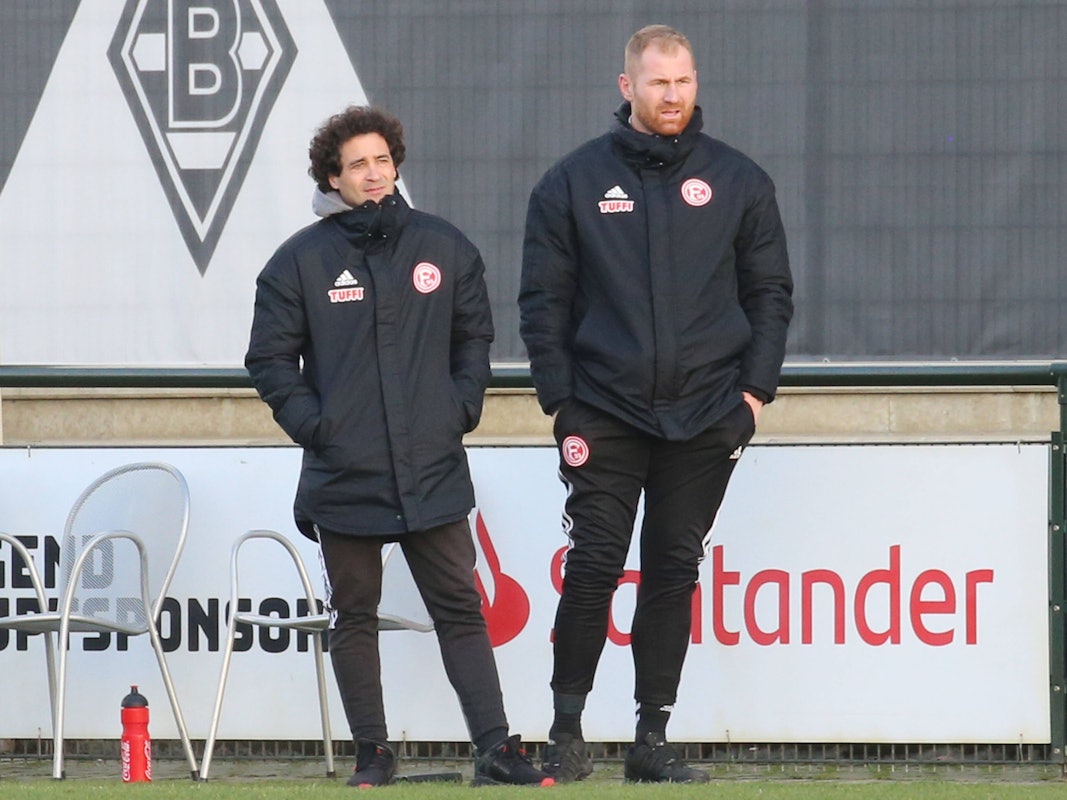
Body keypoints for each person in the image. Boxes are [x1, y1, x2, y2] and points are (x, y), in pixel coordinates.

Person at [246, 105, 553, 788]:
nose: (374, 173)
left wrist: (458, 407)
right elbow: (268, 361)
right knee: (353, 616)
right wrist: (320, 429)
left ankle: (495, 749)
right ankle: (372, 755)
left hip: (431, 466)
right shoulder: (299, 261)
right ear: (333, 176)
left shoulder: (443, 247)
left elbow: (473, 338)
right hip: (343, 474)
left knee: (460, 608)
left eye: (382, 160)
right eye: (358, 164)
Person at [519, 24, 794, 784]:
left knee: (673, 570)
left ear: (695, 83)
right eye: (656, 83)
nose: (670, 95)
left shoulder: (739, 181)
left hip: (707, 414)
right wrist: (561, 404)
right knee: (595, 563)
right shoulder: (571, 183)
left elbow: (769, 295)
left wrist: (751, 397)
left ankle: (651, 741)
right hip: (603, 411)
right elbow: (543, 303)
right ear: (626, 88)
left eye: (682, 81)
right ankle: (565, 732)